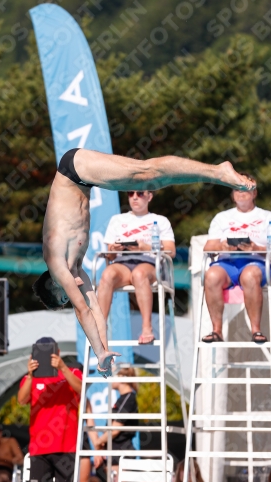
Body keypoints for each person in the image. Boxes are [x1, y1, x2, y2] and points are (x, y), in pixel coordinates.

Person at [33, 148, 256, 376]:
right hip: (81, 179)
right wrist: (104, 352)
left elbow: (82, 311)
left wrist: (98, 351)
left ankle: (219, 172)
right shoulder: (76, 267)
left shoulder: (55, 262)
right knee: (151, 177)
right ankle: (216, 173)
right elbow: (95, 310)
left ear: (53, 283)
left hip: (73, 170)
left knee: (147, 173)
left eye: (64, 296)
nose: (72, 294)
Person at [97, 189, 175, 344]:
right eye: (130, 193)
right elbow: (110, 255)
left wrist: (144, 248)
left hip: (150, 262)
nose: (134, 197)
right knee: (107, 274)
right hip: (123, 262)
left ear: (149, 196)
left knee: (139, 274)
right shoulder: (117, 220)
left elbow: (171, 251)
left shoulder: (160, 220)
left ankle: (147, 327)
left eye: (140, 193)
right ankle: (99, 327)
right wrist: (114, 249)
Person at [202, 173, 271, 343]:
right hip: (228, 262)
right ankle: (217, 331)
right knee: (211, 275)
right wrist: (223, 246)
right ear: (232, 194)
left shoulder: (266, 217)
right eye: (237, 188)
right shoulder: (222, 217)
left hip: (257, 262)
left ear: (254, 193)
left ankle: (256, 330)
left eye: (246, 188)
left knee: (249, 275)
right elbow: (208, 248)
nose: (241, 192)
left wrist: (256, 248)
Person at [17, 336, 82, 482]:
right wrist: (31, 376)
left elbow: (82, 388)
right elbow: (21, 400)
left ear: (58, 353)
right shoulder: (29, 379)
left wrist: (63, 367)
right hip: (40, 446)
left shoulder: (72, 372)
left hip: (66, 445)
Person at [93, 367, 138, 482]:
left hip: (121, 452)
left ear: (122, 378)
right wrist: (100, 449)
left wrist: (97, 444)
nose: (110, 379)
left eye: (112, 375)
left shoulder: (129, 398)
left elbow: (114, 430)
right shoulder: (123, 398)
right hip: (114, 452)